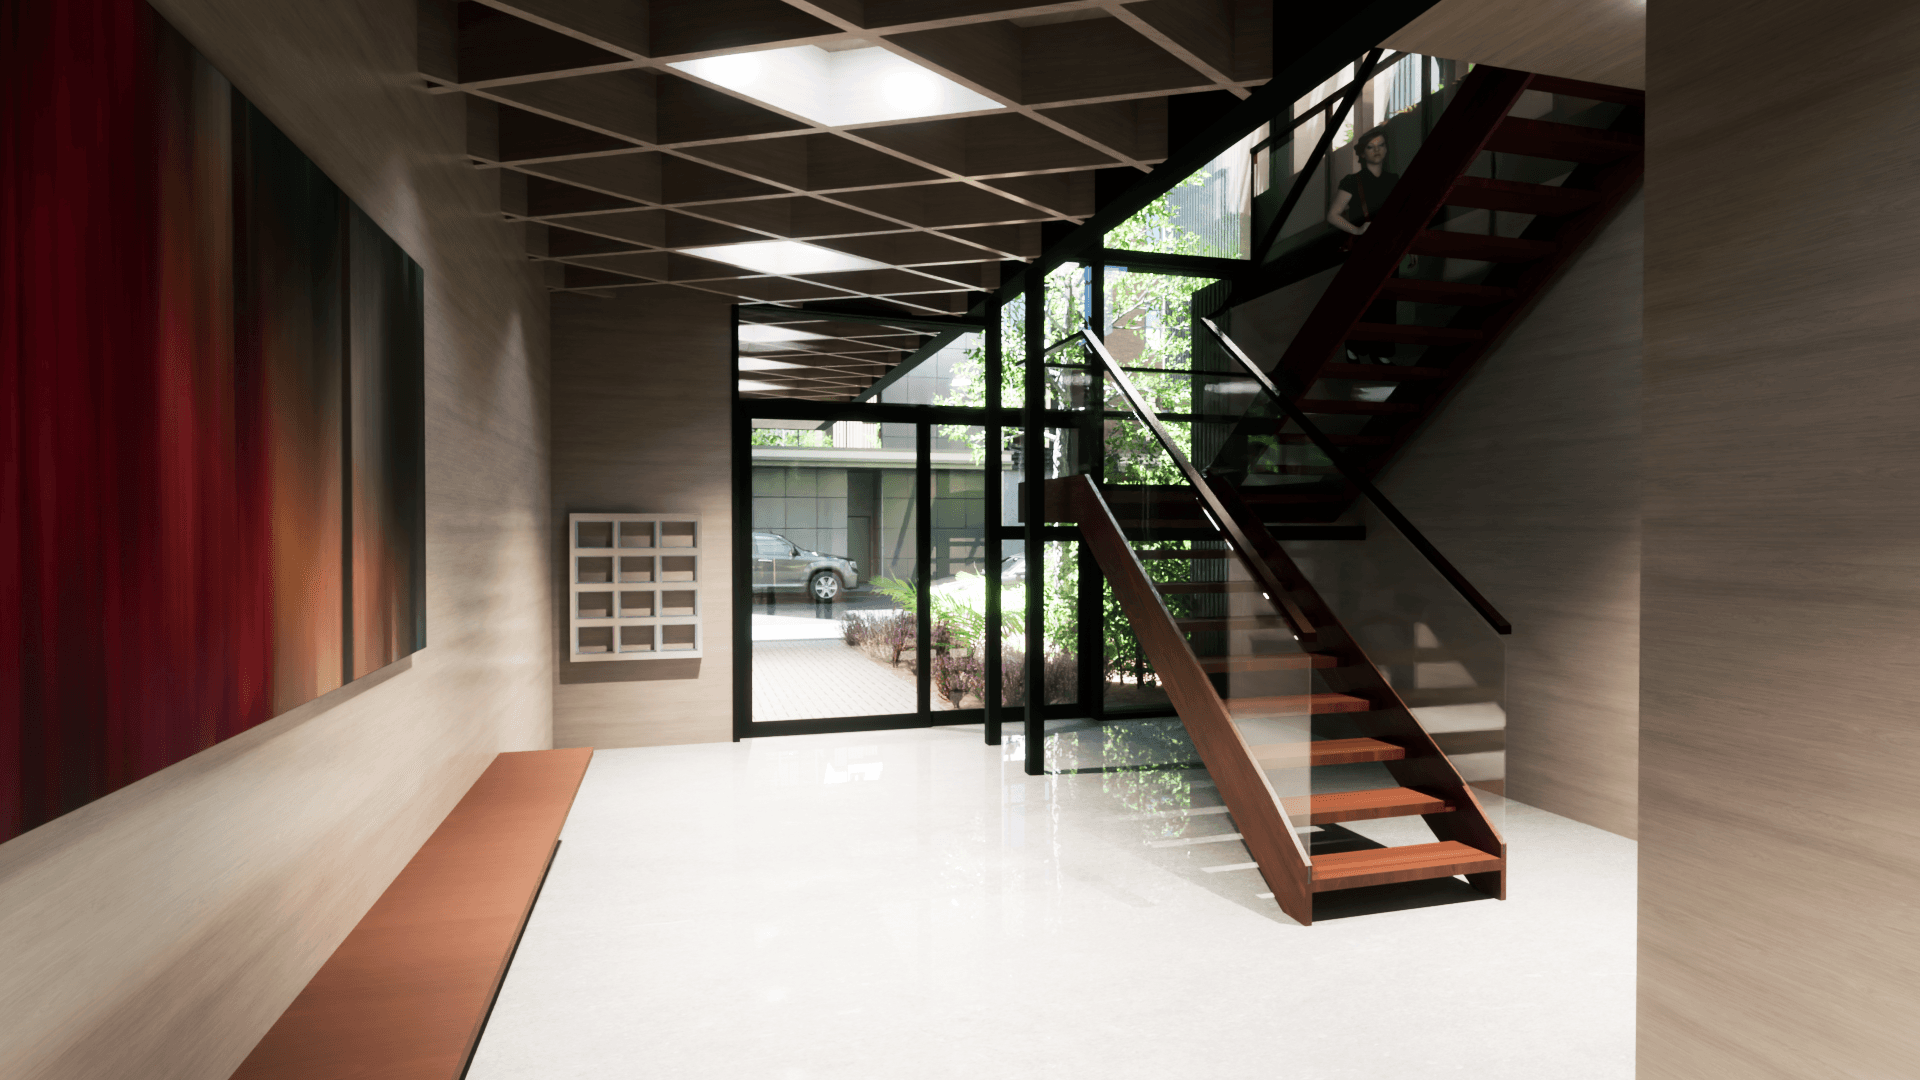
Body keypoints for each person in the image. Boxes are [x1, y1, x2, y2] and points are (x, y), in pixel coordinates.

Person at [1327, 128, 1398, 362]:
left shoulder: (1393, 180)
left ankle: (1382, 351)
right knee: (1363, 298)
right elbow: (1333, 215)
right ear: (1362, 153)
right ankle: (1356, 345)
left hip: (1389, 245)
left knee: (1387, 301)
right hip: (1364, 248)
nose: (1377, 150)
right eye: (1371, 146)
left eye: (1380, 145)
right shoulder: (1352, 181)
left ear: (1386, 148)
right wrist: (1357, 230)